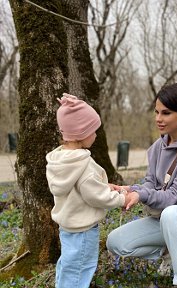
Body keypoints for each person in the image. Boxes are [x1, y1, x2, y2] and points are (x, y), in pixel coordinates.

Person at [106, 83, 177, 288]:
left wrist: (141, 195)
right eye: (157, 112)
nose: (158, 119)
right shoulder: (157, 147)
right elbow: (150, 184)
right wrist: (129, 190)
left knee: (173, 213)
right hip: (167, 219)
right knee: (116, 242)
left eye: (166, 113)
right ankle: (174, 251)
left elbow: (174, 198)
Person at [46, 93, 129, 288]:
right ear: (81, 133)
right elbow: (96, 196)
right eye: (93, 130)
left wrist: (106, 186)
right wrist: (121, 198)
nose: (96, 135)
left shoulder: (59, 160)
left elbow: (81, 188)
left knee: (68, 265)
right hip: (84, 231)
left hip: (67, 228)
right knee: (79, 271)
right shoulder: (84, 164)